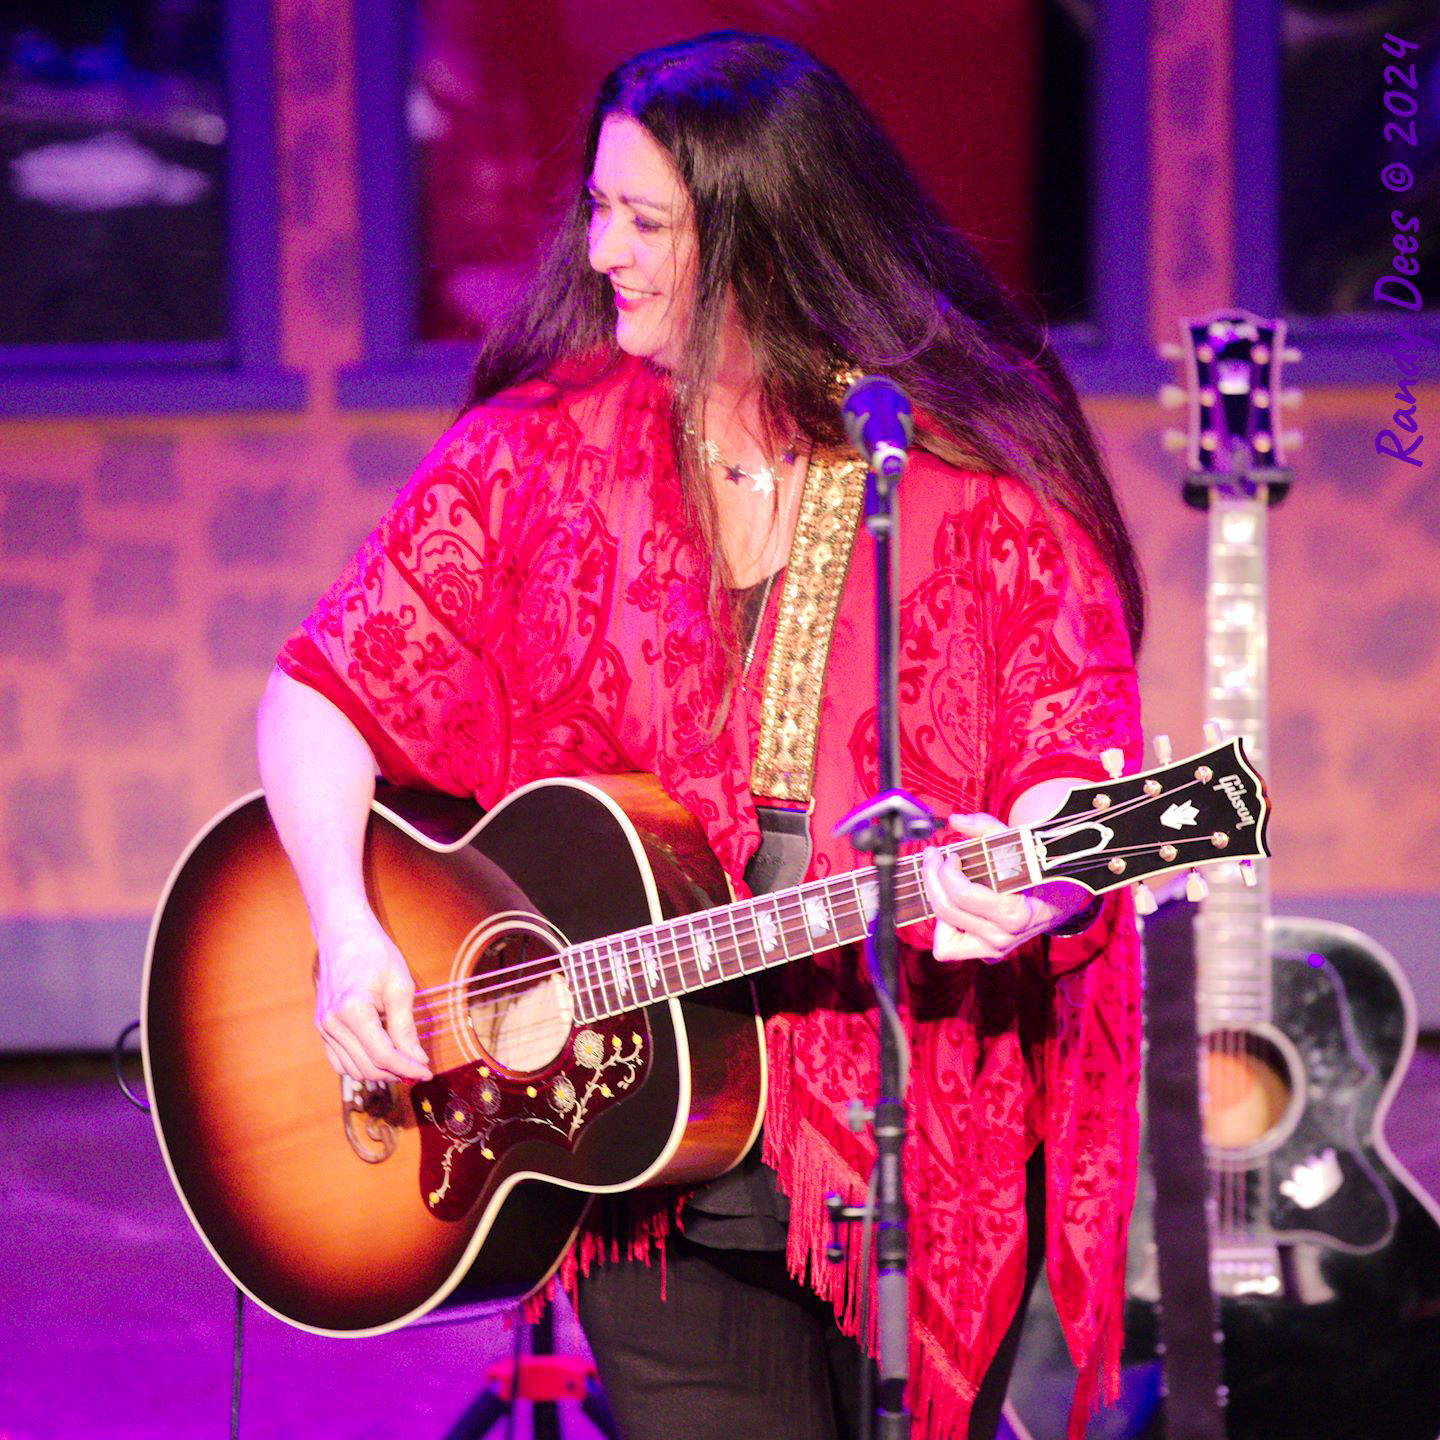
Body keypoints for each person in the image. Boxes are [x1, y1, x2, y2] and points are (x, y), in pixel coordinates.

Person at [256, 31, 1144, 1440]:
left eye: (646, 221)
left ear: (770, 237)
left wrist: (1029, 879)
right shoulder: (534, 456)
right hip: (643, 1147)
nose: (602, 249)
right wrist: (348, 929)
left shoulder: (972, 482)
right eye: (597, 209)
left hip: (909, 1140)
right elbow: (318, 690)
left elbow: (1075, 757)